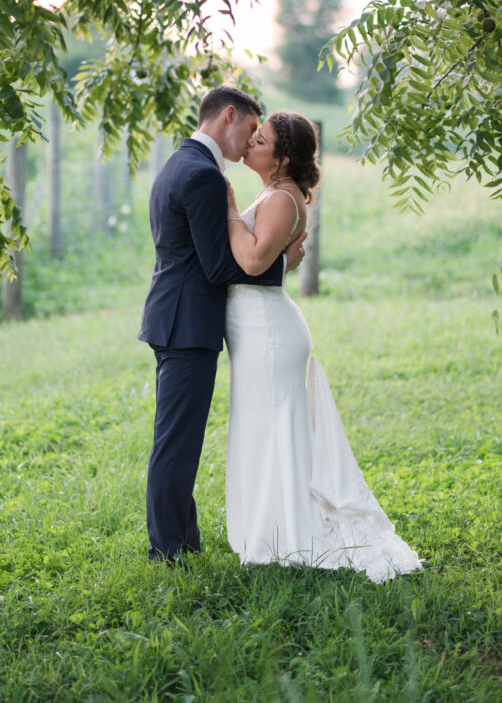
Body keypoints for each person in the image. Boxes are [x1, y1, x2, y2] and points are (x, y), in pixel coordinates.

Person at [225, 110, 422, 582]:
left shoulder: (280, 198)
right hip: (258, 330)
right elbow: (267, 260)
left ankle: (286, 532)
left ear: (283, 157)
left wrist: (229, 208)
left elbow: (252, 261)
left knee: (273, 431)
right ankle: (269, 527)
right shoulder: (275, 194)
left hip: (268, 335)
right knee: (261, 429)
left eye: (262, 139)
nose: (251, 142)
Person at [138, 87, 307, 563]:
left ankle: (182, 538)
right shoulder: (204, 176)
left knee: (179, 437)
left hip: (174, 317)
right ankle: (167, 550)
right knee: (177, 441)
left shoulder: (181, 162)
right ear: (229, 115)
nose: (250, 140)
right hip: (188, 323)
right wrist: (280, 267)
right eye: (251, 128)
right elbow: (216, 267)